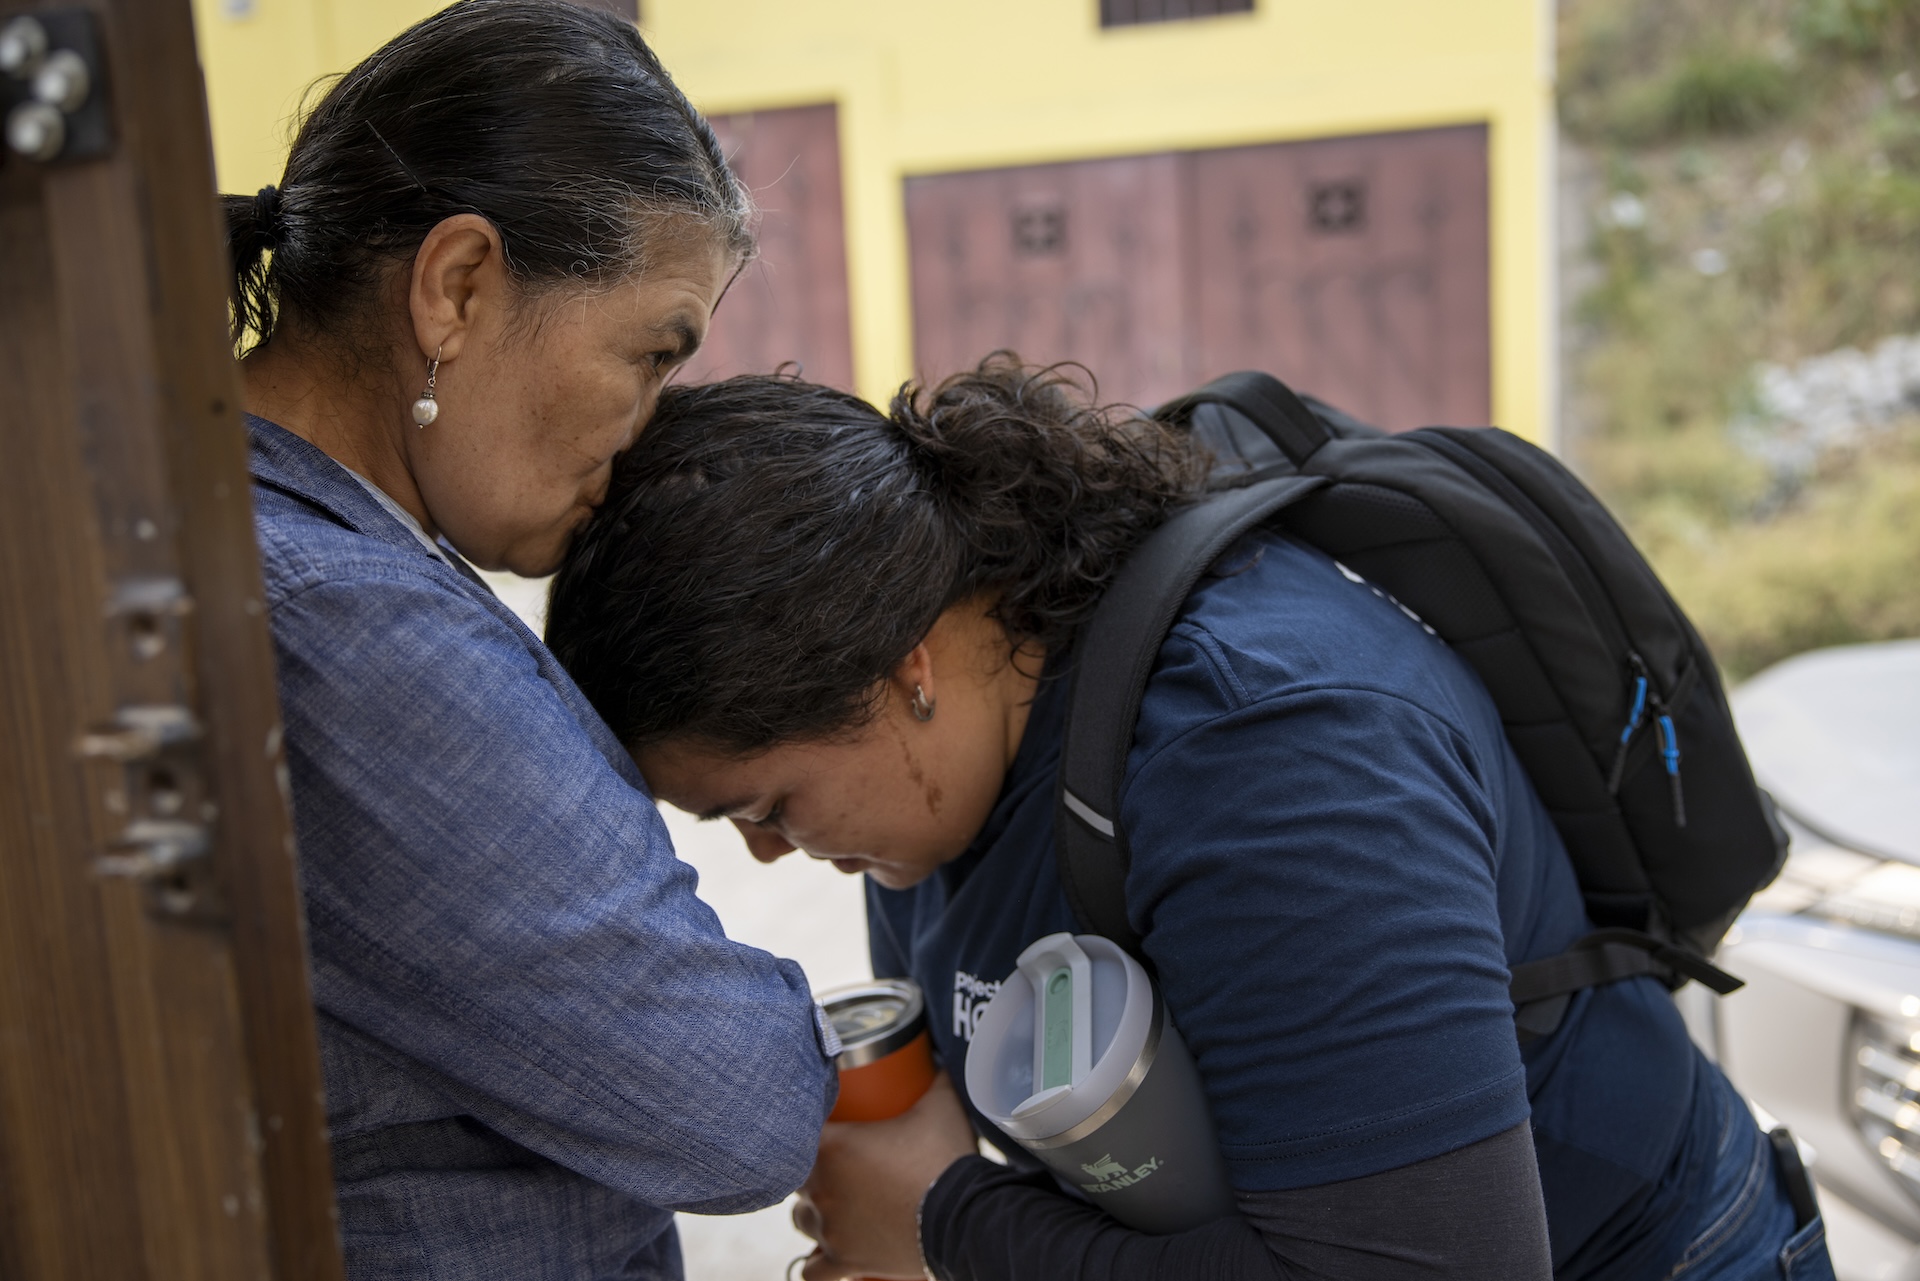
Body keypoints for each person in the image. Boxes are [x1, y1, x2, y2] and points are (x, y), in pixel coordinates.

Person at [545, 359, 1837, 1281]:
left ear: (901, 666)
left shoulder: (1268, 758)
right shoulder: (941, 776)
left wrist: (947, 1223)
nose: (770, 853)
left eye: (767, 805)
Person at [226, 4, 838, 1275]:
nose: (645, 428)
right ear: (458, 289)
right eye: (651, 354)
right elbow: (733, 1106)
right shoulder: (340, 620)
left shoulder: (277, 538)